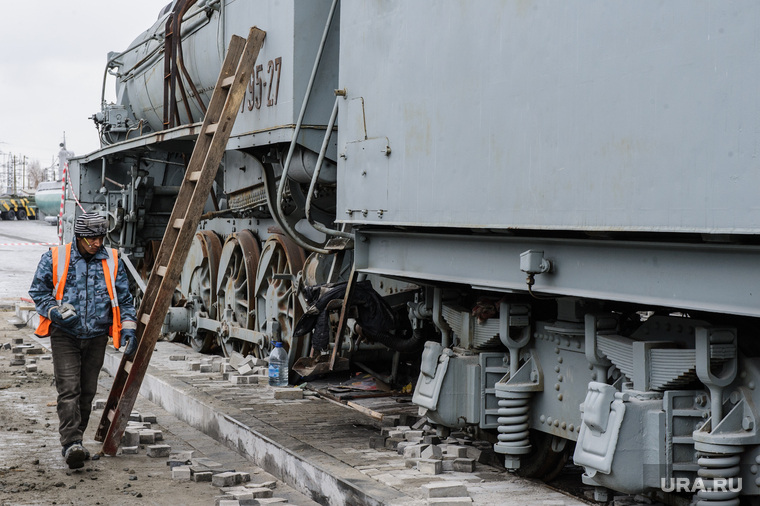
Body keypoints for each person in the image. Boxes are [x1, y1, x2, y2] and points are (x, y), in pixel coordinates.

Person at [29, 212, 137, 469]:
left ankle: (77, 441)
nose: (97, 243)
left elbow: (124, 300)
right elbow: (38, 291)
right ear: (79, 237)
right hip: (65, 335)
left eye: (100, 238)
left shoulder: (112, 260)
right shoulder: (55, 257)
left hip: (97, 336)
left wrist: (129, 329)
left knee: (87, 393)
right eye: (91, 239)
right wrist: (54, 312)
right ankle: (70, 443)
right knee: (69, 391)